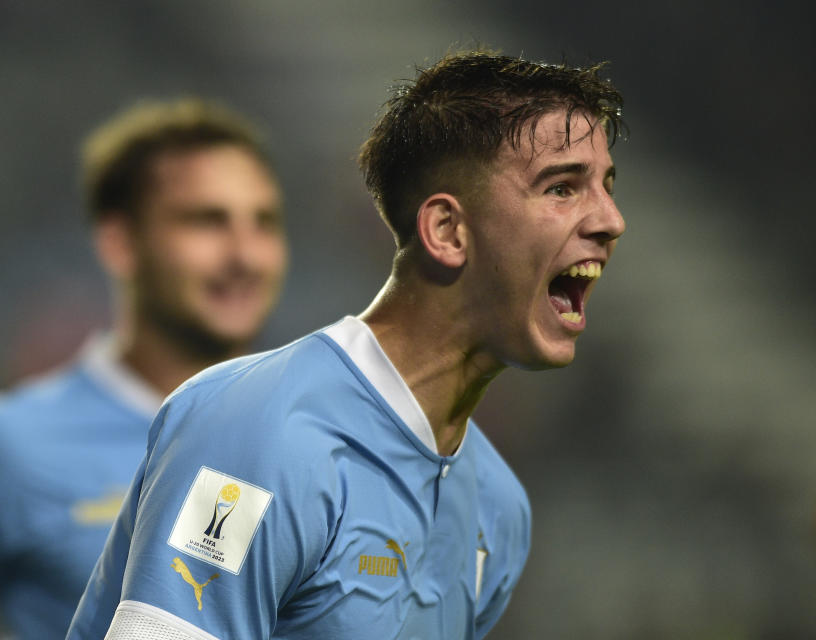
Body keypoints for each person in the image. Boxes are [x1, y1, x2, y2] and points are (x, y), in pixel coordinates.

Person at [67, 50, 626, 640]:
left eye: (606, 188)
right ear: (447, 231)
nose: (611, 220)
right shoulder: (258, 434)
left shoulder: (498, 508)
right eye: (563, 188)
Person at [0, 98, 288, 640]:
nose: (245, 254)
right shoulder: (6, 441)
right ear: (120, 243)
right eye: (206, 221)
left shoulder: (328, 434)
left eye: (265, 222)